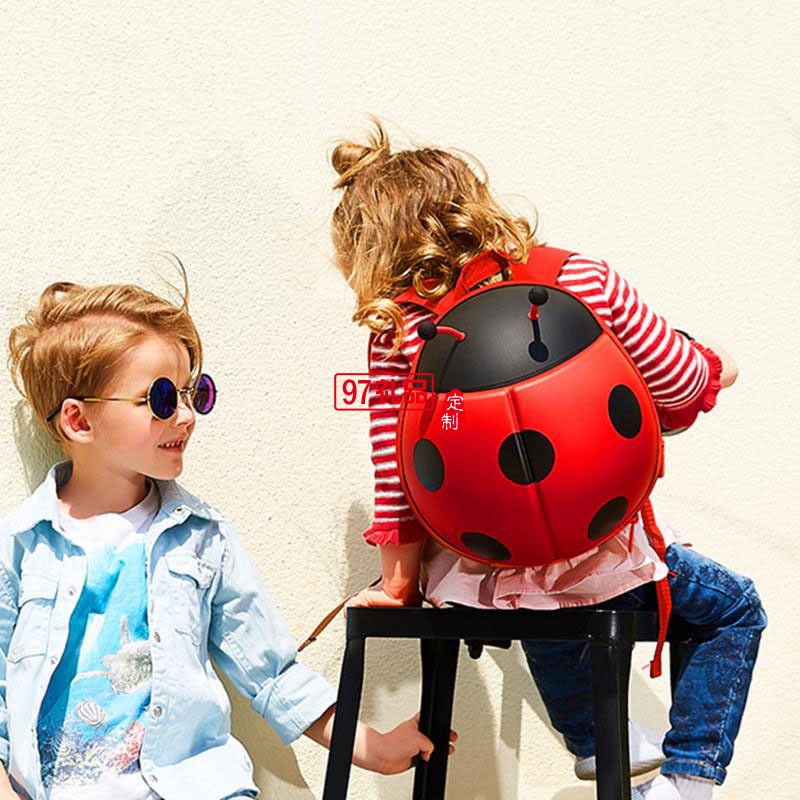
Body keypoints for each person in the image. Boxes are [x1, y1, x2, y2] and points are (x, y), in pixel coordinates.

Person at [329, 119, 766, 800]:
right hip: (604, 553)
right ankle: (688, 781)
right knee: (734, 609)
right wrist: (717, 365)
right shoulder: (579, 279)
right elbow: (678, 383)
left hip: (484, 568)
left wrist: (398, 581)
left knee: (531, 578)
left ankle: (594, 740)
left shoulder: (396, 338)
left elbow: (399, 477)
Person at [0, 270, 454, 800]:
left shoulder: (202, 539)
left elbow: (272, 674)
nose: (187, 416)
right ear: (79, 422)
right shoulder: (22, 545)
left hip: (198, 787)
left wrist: (372, 748)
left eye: (194, 393)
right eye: (161, 398)